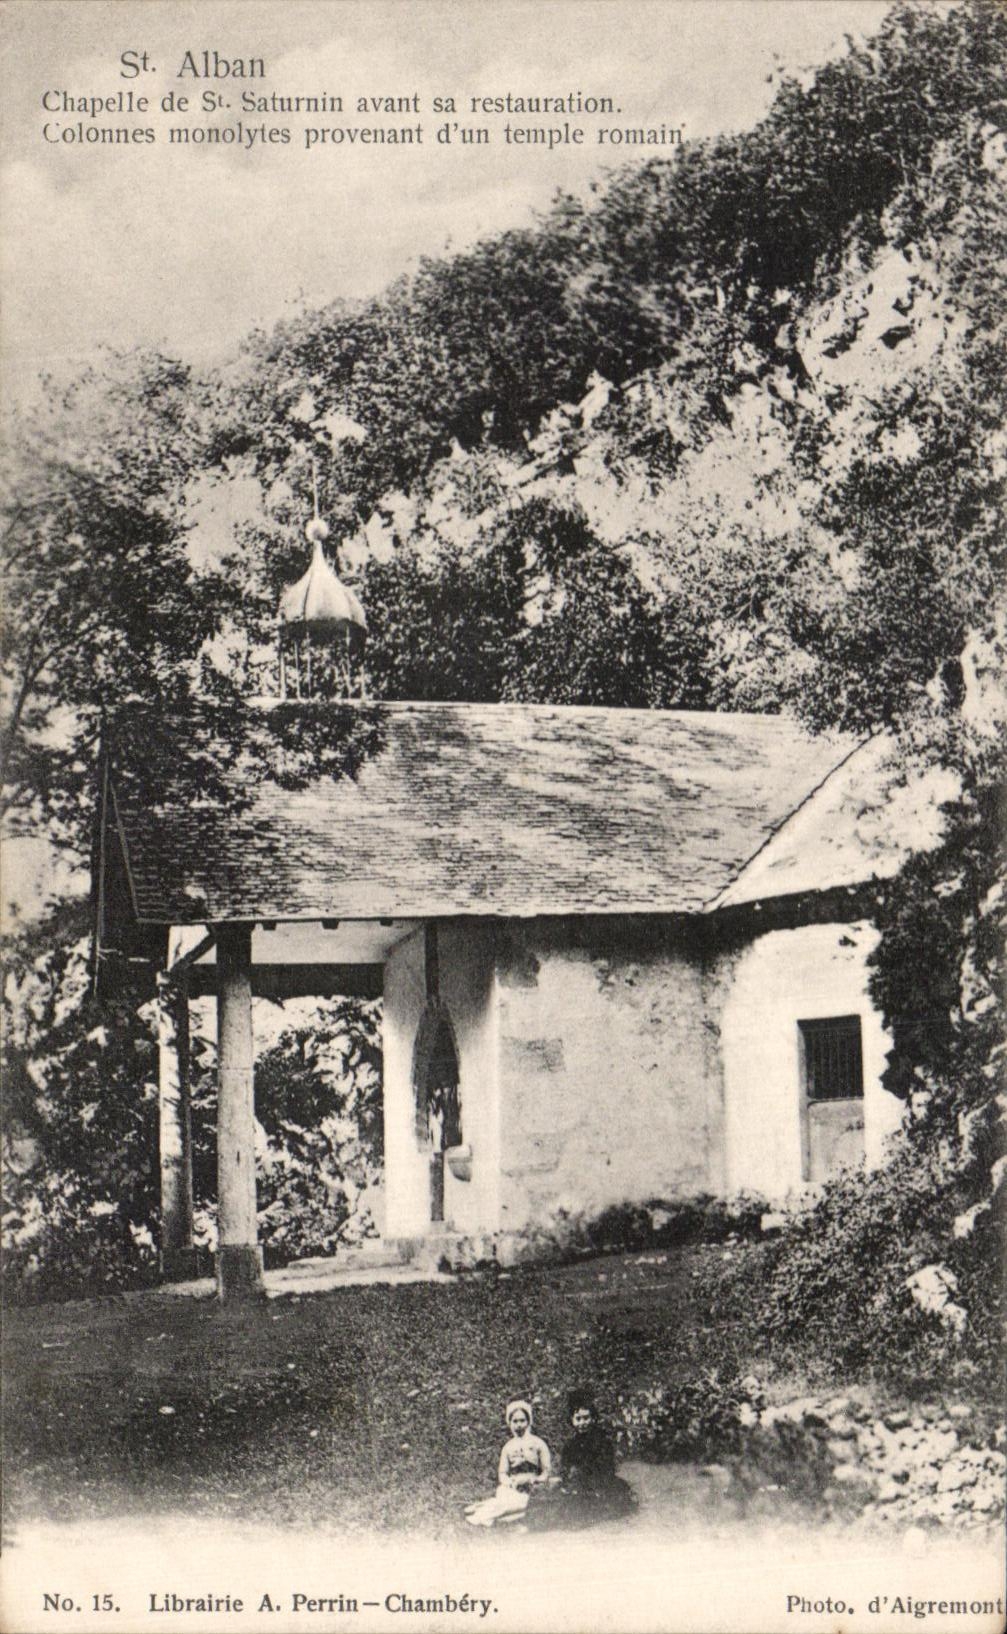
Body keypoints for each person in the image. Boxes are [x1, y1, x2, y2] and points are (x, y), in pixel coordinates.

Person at [526, 1390, 637, 1530]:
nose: (582, 1423)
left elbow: (607, 1468)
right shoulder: (570, 1445)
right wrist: (565, 1480)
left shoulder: (602, 1442)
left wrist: (588, 1479)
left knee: (583, 1506)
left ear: (593, 1418)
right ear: (572, 1420)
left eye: (586, 1418)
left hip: (597, 1484)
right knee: (554, 1501)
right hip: (576, 1484)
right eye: (578, 1419)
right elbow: (565, 1468)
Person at [464, 1399, 552, 1527]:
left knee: (519, 1504)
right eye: (515, 1421)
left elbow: (546, 1470)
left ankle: (482, 1511)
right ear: (509, 1423)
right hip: (512, 1487)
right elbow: (502, 1473)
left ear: (528, 1422)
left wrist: (536, 1481)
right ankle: (485, 1512)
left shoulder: (538, 1443)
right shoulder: (508, 1447)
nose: (519, 1425)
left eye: (522, 1420)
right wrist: (510, 1483)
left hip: (532, 1488)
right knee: (507, 1500)